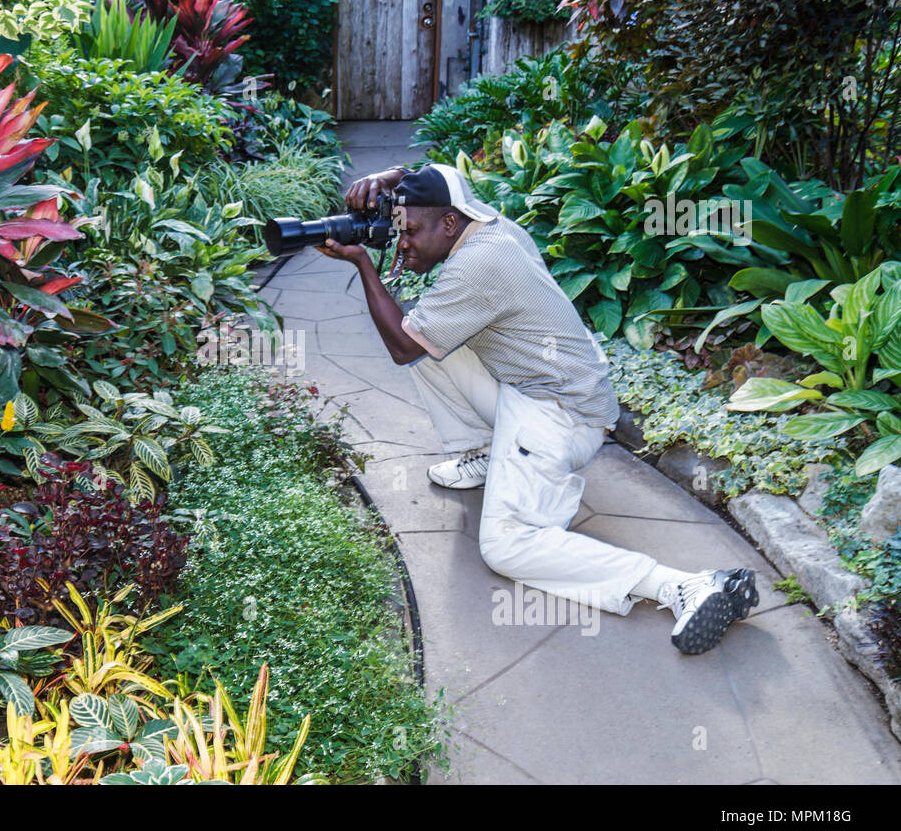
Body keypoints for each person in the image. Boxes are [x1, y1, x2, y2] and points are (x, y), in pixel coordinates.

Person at [319, 163, 759, 654]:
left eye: (410, 231)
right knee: (429, 343)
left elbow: (401, 346)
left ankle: (683, 586)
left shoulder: (478, 264)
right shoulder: (483, 223)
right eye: (397, 231)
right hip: (535, 389)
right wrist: (391, 178)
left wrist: (363, 263)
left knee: (506, 546)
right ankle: (488, 452)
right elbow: (442, 179)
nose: (402, 243)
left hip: (559, 414)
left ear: (447, 223)